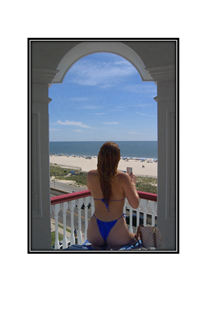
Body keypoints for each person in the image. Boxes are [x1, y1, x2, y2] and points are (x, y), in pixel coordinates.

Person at [87, 141, 140, 250]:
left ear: (100, 157)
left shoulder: (90, 175)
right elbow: (135, 204)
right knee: (137, 238)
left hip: (95, 229)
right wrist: (133, 184)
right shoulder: (123, 177)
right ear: (117, 158)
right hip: (116, 229)